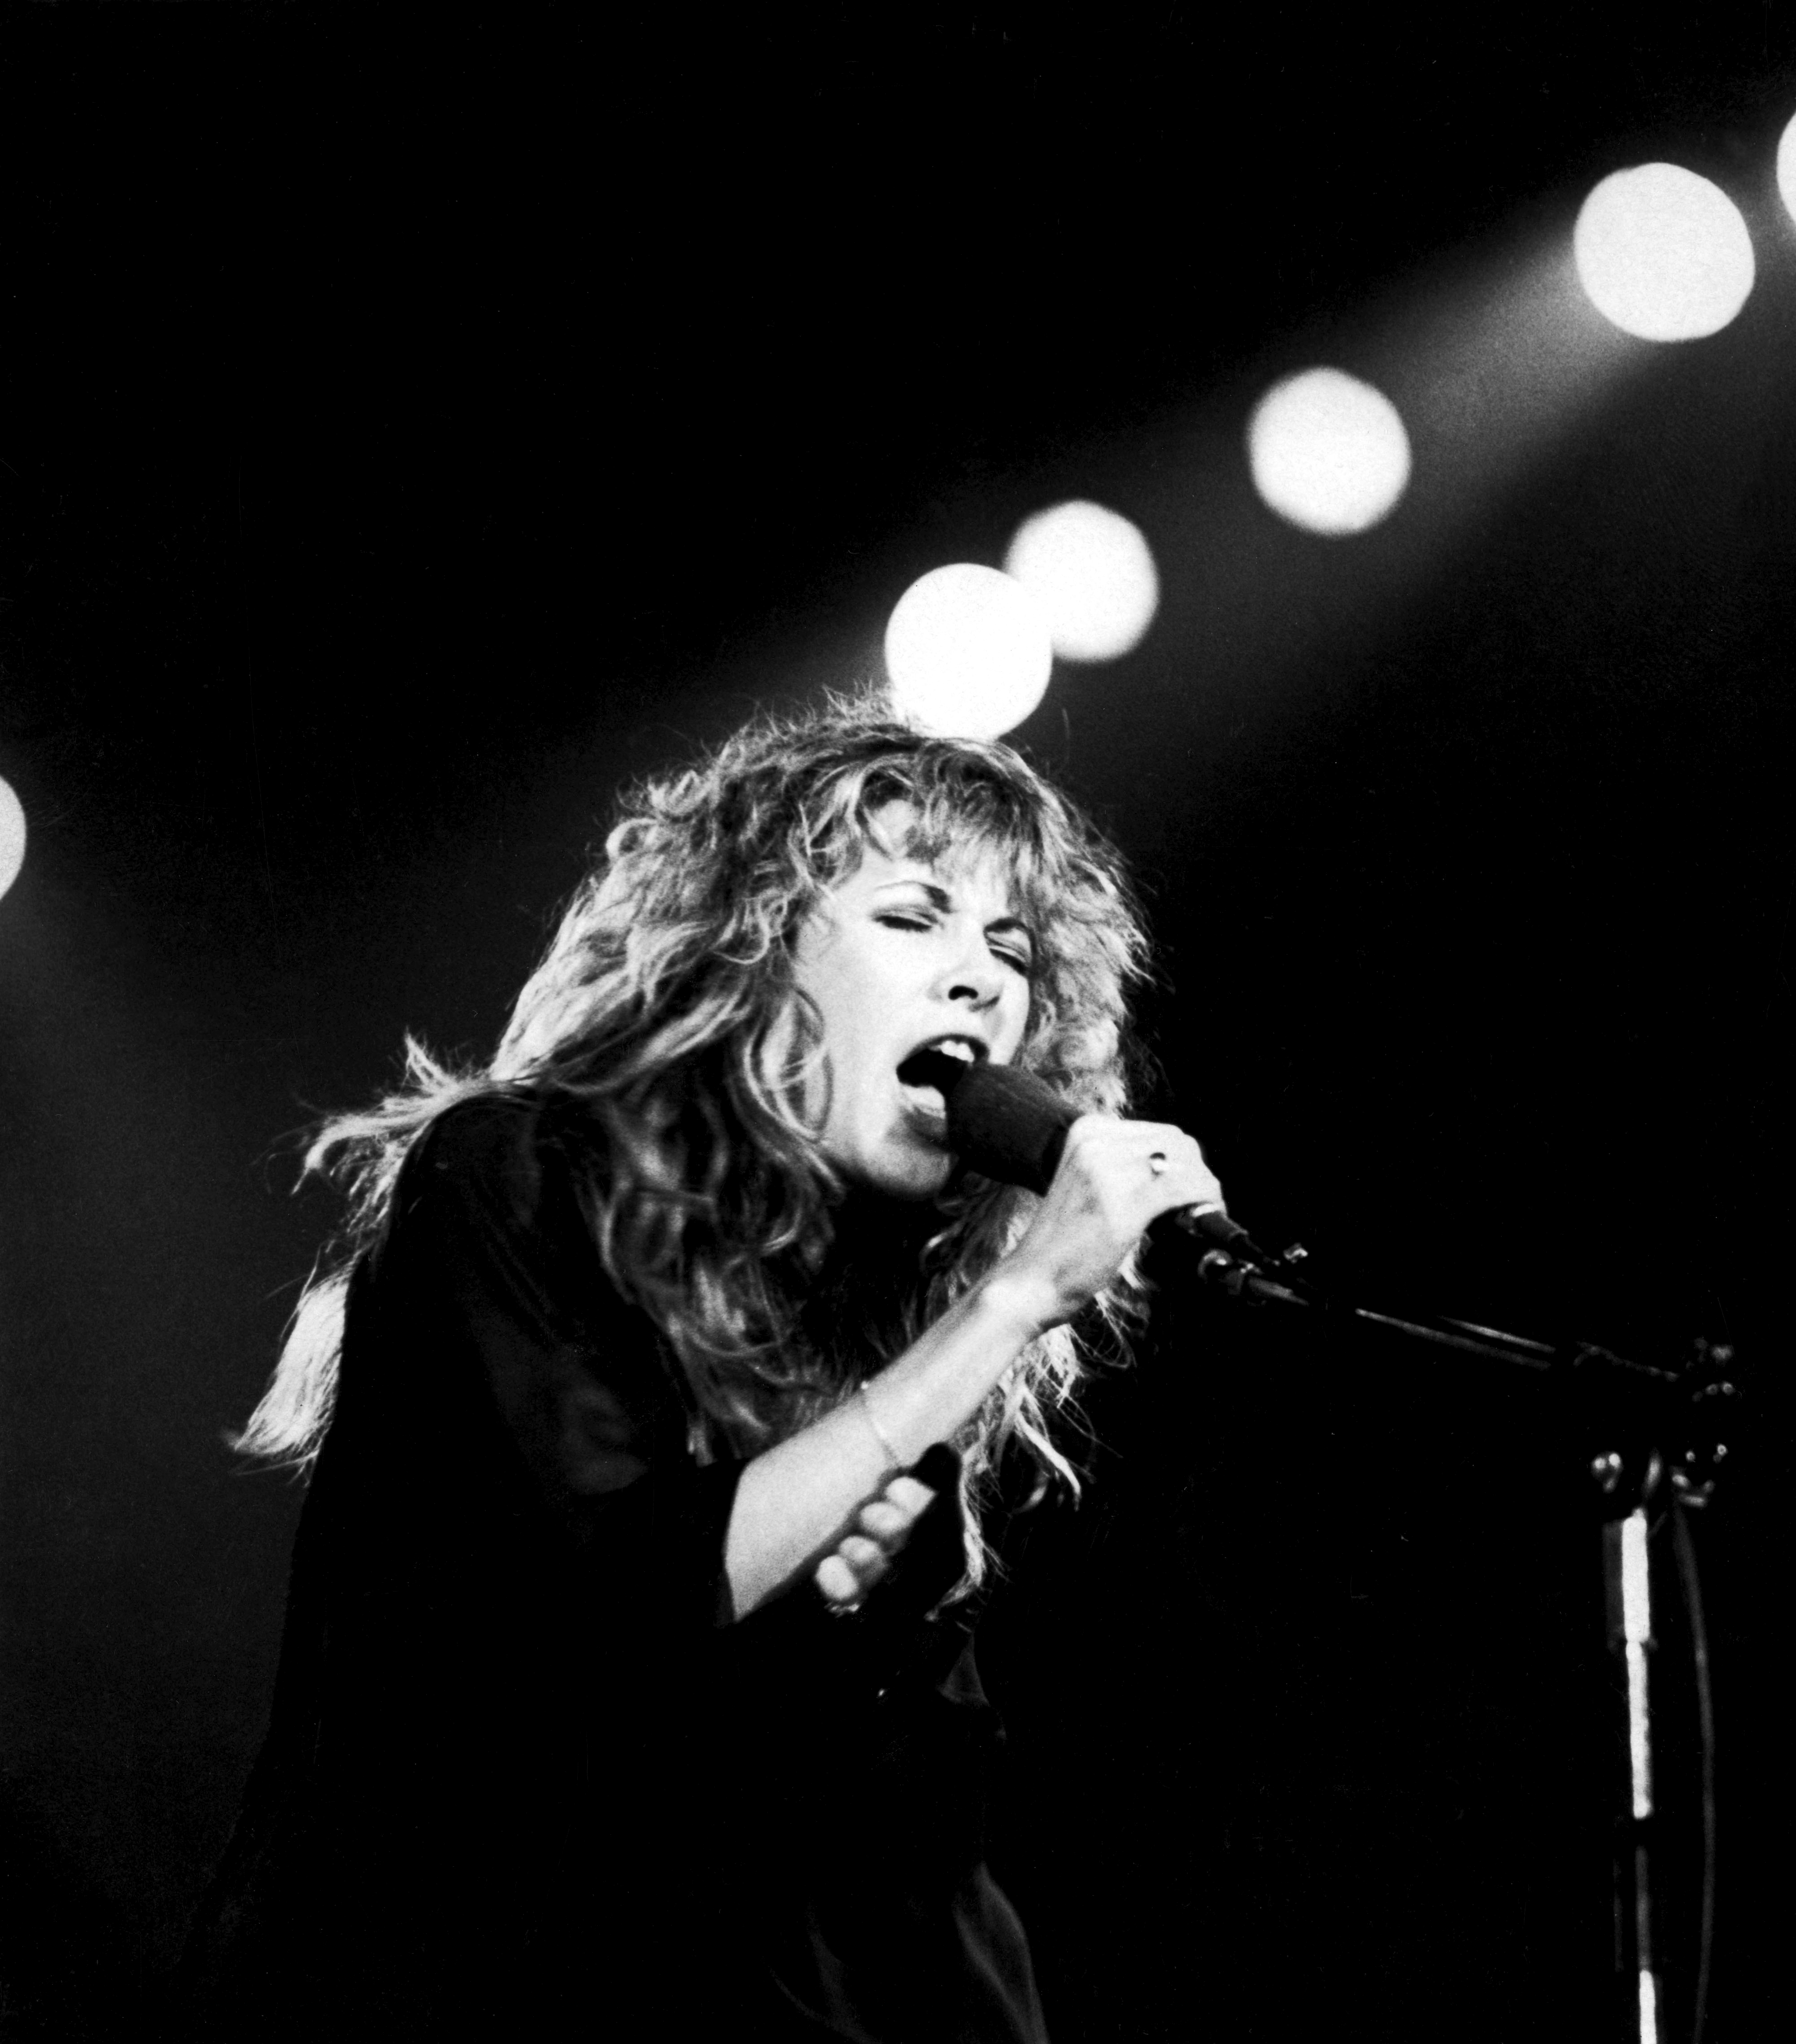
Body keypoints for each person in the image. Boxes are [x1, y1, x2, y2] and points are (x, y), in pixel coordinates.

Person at [186, 698, 1219, 2040]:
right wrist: (1016, 1301)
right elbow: (611, 1608)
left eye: (1010, 952)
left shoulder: (877, 1334)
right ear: (755, 951)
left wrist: (866, 1632)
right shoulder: (515, 1179)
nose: (980, 980)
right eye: (912, 918)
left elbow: (910, 1865)